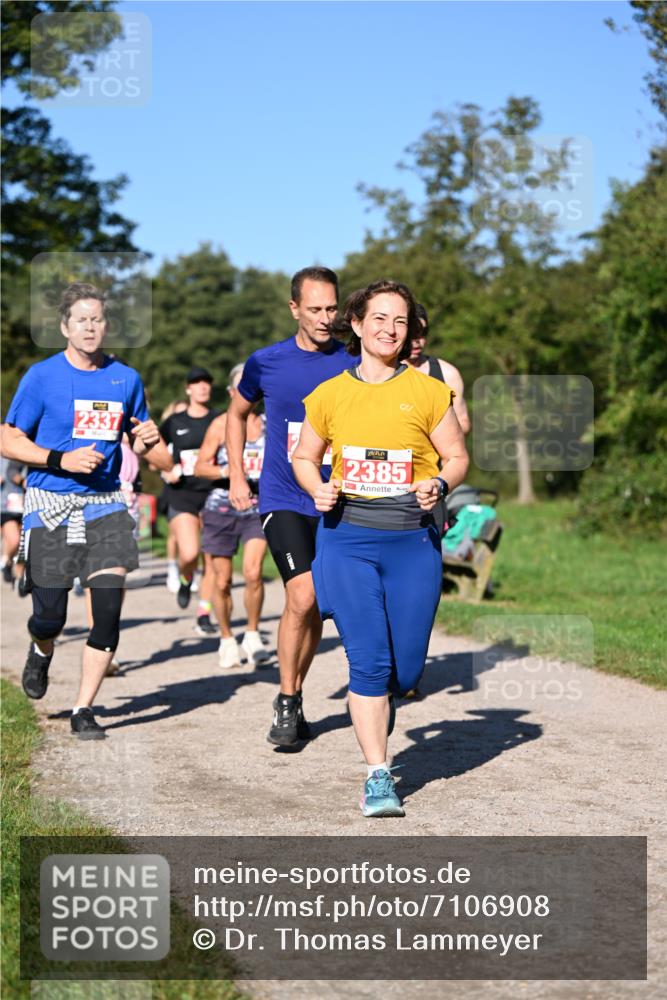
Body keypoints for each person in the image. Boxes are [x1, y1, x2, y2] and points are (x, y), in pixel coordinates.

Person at [293, 280, 469, 816]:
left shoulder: (428, 391)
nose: (390, 329)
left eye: (400, 321)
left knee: (407, 670)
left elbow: (457, 458)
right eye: (379, 318)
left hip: (413, 540)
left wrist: (438, 484)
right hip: (347, 537)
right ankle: (377, 776)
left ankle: (383, 700)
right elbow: (304, 457)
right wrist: (315, 485)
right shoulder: (329, 394)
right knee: (367, 661)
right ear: (356, 322)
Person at [0, 282, 172, 739]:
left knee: (109, 610)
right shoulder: (42, 377)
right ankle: (41, 649)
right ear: (65, 326)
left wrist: (149, 442)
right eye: (82, 319)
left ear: (107, 325)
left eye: (98, 319)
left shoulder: (126, 379)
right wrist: (61, 460)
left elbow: (144, 445)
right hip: (52, 504)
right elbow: (8, 438)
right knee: (50, 616)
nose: (91, 326)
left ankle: (83, 708)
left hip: (106, 506)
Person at [226, 266, 354, 746]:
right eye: (315, 309)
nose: (325, 318)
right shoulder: (266, 362)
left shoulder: (353, 361)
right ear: (294, 308)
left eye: (332, 308)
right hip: (282, 496)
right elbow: (236, 414)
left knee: (315, 604)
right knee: (301, 595)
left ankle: (296, 693)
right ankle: (286, 699)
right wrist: (239, 473)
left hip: (337, 497)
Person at [194, 363, 270, 668]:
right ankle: (226, 637)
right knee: (222, 581)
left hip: (259, 507)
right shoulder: (220, 424)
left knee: (253, 572)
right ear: (230, 392)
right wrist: (230, 471)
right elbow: (200, 467)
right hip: (220, 507)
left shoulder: (269, 423)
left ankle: (252, 633)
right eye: (242, 387)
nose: (248, 393)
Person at [159, 369, 218, 630]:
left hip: (215, 492)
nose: (202, 387)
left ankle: (204, 613)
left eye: (206, 383)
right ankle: (185, 579)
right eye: (196, 383)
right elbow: (153, 451)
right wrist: (164, 468)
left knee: (213, 557)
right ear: (188, 390)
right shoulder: (174, 422)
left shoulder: (220, 419)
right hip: (182, 494)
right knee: (191, 552)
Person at [408, 303, 471, 434]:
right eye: (412, 333)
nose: (417, 340)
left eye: (422, 333)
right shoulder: (382, 371)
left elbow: (463, 422)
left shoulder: (447, 373)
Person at [156, 399, 188, 594]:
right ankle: (172, 569)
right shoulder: (169, 434)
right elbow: (156, 462)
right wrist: (167, 472)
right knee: (174, 534)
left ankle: (188, 571)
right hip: (173, 488)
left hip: (193, 487)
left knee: (194, 534)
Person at [1, 456, 26, 588]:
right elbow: (12, 473)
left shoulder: (22, 451)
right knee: (14, 539)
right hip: (5, 506)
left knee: (23, 545)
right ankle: (6, 561)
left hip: (24, 505)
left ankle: (20, 577)